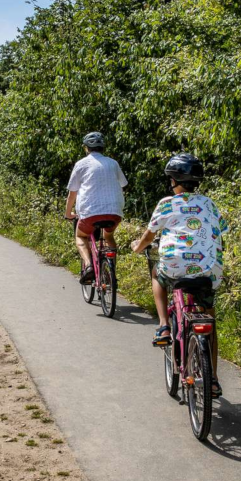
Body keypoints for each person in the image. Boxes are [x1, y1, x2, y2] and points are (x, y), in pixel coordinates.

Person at [131, 153, 226, 396]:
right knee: (210, 319)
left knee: (156, 273)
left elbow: (149, 236)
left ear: (174, 180)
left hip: (174, 266)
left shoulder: (166, 204)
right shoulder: (210, 203)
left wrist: (137, 248)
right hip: (209, 269)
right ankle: (212, 378)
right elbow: (220, 231)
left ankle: (163, 325)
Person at [64, 131, 128, 284]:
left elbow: (72, 193)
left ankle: (88, 266)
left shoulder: (81, 164)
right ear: (102, 147)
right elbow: (123, 184)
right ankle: (111, 268)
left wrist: (68, 213)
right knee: (108, 236)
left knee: (81, 236)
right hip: (115, 212)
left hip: (90, 213)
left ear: (86, 148)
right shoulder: (113, 163)